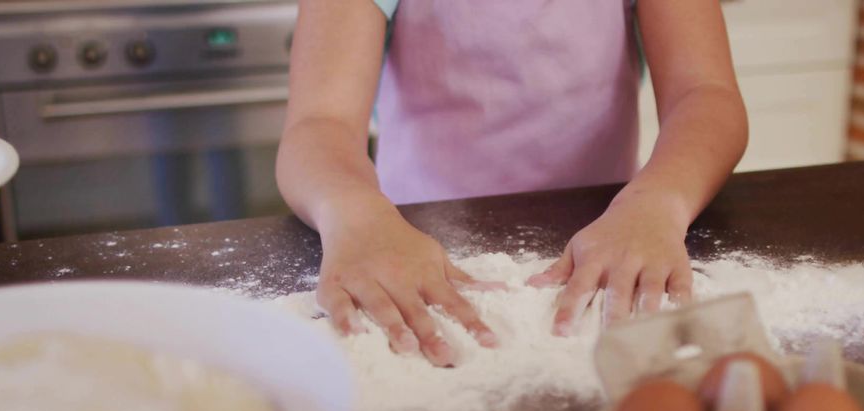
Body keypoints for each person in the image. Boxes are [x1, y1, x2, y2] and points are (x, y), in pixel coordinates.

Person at [276, 0, 748, 367]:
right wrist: (356, 217)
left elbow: (704, 94)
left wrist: (658, 204)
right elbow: (319, 124)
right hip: (410, 254)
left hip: (613, 245)